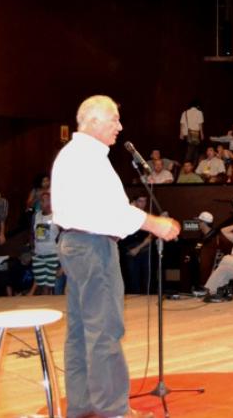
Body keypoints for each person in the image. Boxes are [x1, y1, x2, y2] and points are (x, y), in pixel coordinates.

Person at [53, 95, 180, 418]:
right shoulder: (87, 157)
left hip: (74, 245)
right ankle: (114, 411)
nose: (120, 127)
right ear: (94, 121)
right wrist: (156, 224)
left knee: (81, 331)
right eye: (114, 119)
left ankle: (83, 406)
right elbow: (108, 212)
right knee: (104, 331)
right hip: (94, 247)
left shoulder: (72, 154)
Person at [30, 191, 61, 295]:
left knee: (50, 284)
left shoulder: (56, 217)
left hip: (52, 253)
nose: (41, 203)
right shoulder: (36, 216)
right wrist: (32, 249)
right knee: (41, 283)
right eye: (41, 200)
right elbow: (32, 233)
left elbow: (62, 235)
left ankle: (50, 304)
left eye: (44, 200)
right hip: (38, 254)